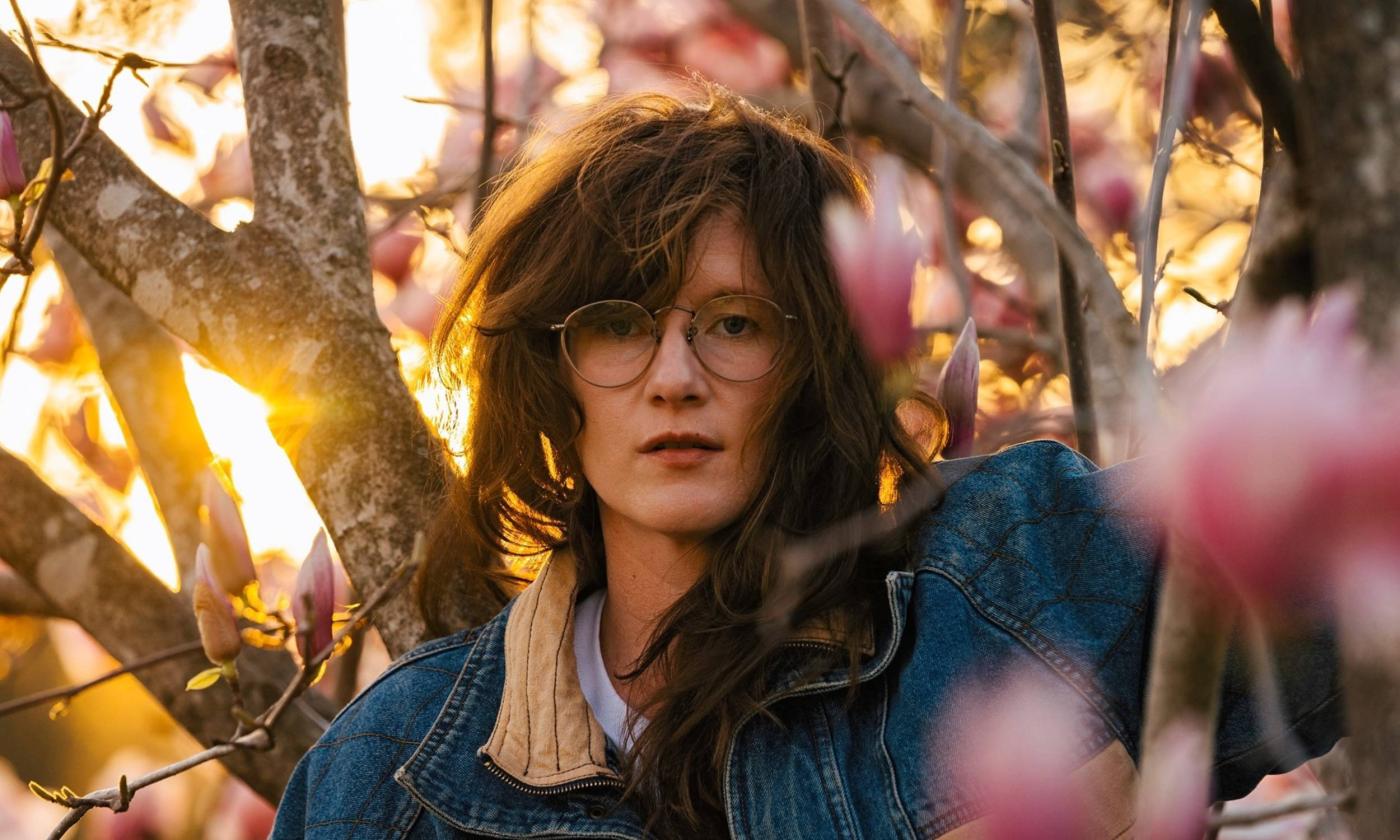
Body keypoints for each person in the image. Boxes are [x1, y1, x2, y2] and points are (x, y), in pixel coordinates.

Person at [270, 89, 1342, 839]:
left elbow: (1342, 582)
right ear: (552, 371)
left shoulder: (1020, 580)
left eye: (733, 324)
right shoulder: (389, 776)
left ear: (814, 359)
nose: (672, 377)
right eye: (616, 323)